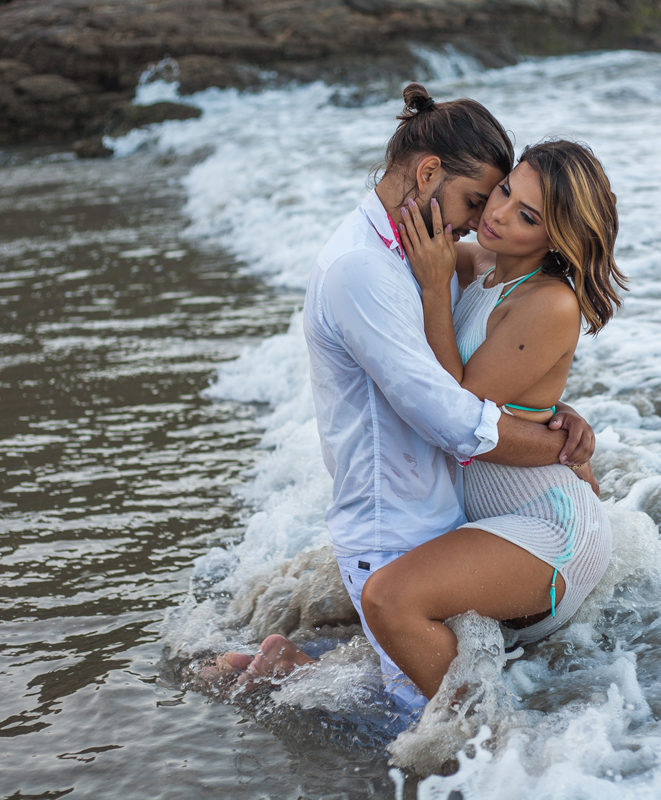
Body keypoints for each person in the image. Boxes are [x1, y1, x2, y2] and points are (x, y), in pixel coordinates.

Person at [209, 84, 598, 713]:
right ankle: (289, 672)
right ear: (427, 173)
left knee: (438, 717)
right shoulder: (382, 266)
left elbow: (495, 381)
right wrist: (554, 441)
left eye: (520, 210)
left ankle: (288, 673)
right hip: (402, 519)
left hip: (491, 519)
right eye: (487, 197)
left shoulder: (429, 257)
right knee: (436, 723)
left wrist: (556, 418)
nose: (488, 217)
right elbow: (453, 414)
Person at [360, 138, 626, 700]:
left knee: (389, 599)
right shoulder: (480, 263)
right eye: (504, 190)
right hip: (488, 518)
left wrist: (437, 289)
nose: (498, 214)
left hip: (551, 531)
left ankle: (484, 744)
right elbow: (394, 237)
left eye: (527, 216)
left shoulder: (551, 302)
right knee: (365, 612)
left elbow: (455, 409)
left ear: (557, 238)